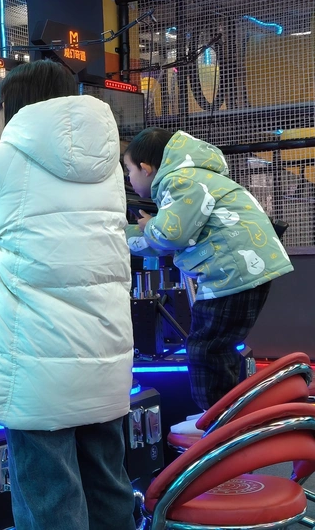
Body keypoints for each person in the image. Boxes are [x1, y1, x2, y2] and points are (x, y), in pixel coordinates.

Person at [0, 60, 135, 530]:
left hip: (35, 358)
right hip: (103, 352)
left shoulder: (6, 158)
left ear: (10, 106)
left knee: (49, 496)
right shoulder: (106, 162)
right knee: (108, 484)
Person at [123, 127, 294, 411]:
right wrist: (123, 235)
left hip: (231, 272)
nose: (129, 178)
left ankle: (216, 418)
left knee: (204, 348)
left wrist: (149, 225)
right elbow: (166, 242)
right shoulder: (199, 177)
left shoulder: (179, 181)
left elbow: (170, 235)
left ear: (146, 168)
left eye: (129, 170)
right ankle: (231, 411)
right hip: (242, 270)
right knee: (219, 347)